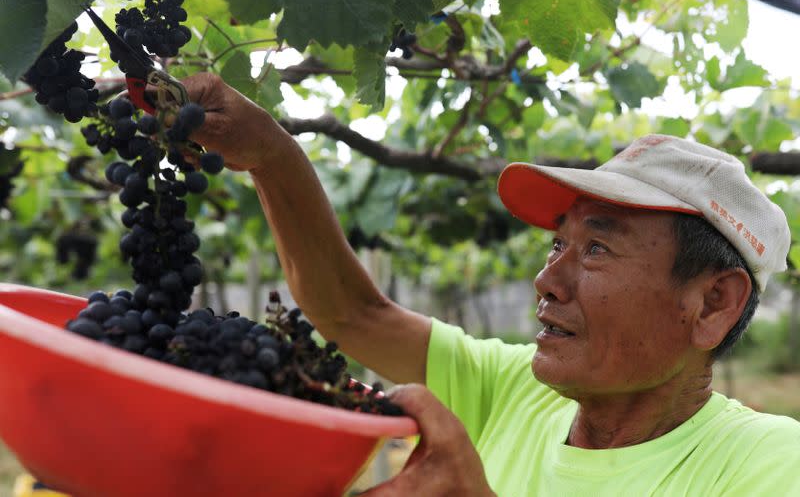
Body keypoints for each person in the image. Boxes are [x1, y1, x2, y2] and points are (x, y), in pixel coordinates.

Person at [180, 73, 800, 496]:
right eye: (558, 242)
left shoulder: (770, 466)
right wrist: (270, 153)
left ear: (713, 303)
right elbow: (351, 315)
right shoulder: (515, 389)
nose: (547, 279)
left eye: (598, 248)